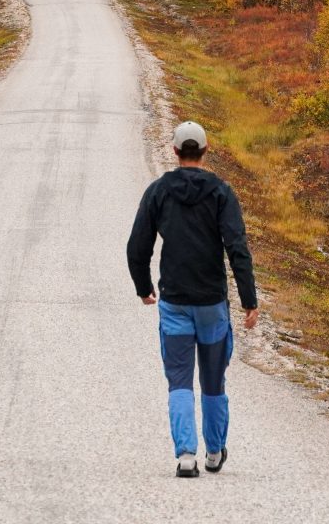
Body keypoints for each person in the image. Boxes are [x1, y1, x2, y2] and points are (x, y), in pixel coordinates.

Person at [126, 121, 259, 478]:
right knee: (214, 381)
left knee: (180, 380)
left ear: (174, 151)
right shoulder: (220, 192)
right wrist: (249, 298)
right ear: (205, 149)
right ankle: (214, 451)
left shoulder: (158, 191)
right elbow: (237, 247)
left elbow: (138, 244)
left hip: (174, 301)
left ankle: (186, 455)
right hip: (212, 302)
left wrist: (144, 286)